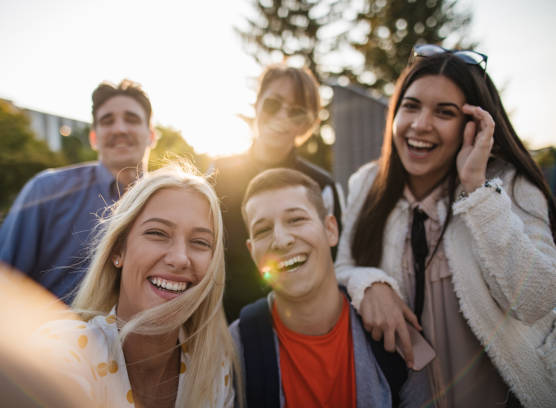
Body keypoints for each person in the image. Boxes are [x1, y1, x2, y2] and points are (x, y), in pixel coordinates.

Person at [335, 45, 556, 408]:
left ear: (472, 125)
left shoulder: (509, 186)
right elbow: (342, 268)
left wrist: (478, 190)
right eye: (411, 106)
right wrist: (369, 283)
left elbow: (536, 300)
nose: (421, 124)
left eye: (445, 112)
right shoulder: (366, 184)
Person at [35, 164, 240, 407]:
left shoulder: (214, 371)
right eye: (157, 233)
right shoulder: (64, 353)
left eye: (200, 242)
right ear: (118, 249)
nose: (179, 258)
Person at [229, 168, 425, 408]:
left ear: (331, 229)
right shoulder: (234, 349)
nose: (280, 240)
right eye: (262, 230)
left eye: (296, 219)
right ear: (252, 253)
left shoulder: (393, 325)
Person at [0, 79, 154, 303]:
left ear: (151, 135)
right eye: (107, 121)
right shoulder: (47, 191)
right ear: (94, 138)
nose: (119, 129)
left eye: (131, 119)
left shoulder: (170, 203)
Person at [211, 64, 343, 321]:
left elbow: (333, 266)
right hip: (226, 322)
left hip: (299, 324)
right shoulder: (218, 175)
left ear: (307, 124)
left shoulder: (321, 185)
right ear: (257, 104)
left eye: (296, 112)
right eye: (273, 104)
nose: (282, 116)